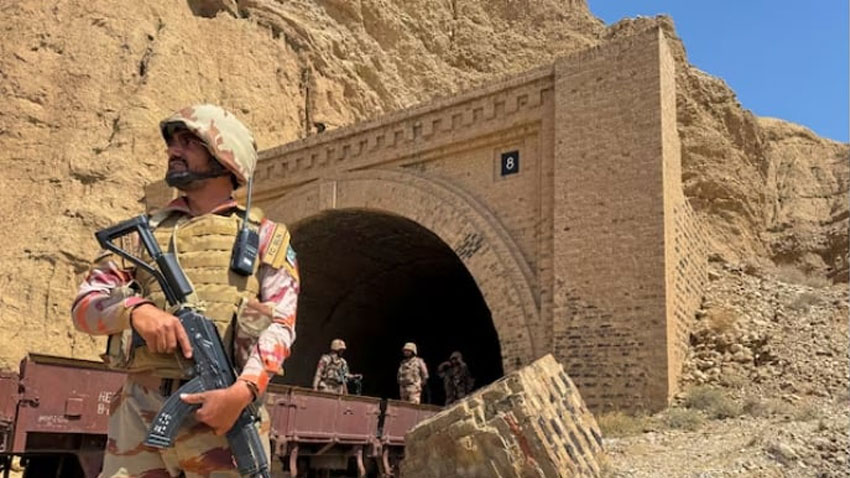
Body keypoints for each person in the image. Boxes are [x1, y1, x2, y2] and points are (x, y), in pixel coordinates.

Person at [71, 104, 300, 477]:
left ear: (226, 156)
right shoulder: (140, 235)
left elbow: (280, 325)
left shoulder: (266, 239)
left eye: (190, 141)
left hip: (225, 412)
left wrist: (241, 393)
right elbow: (85, 305)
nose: (173, 150)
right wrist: (136, 310)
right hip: (138, 414)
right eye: (172, 142)